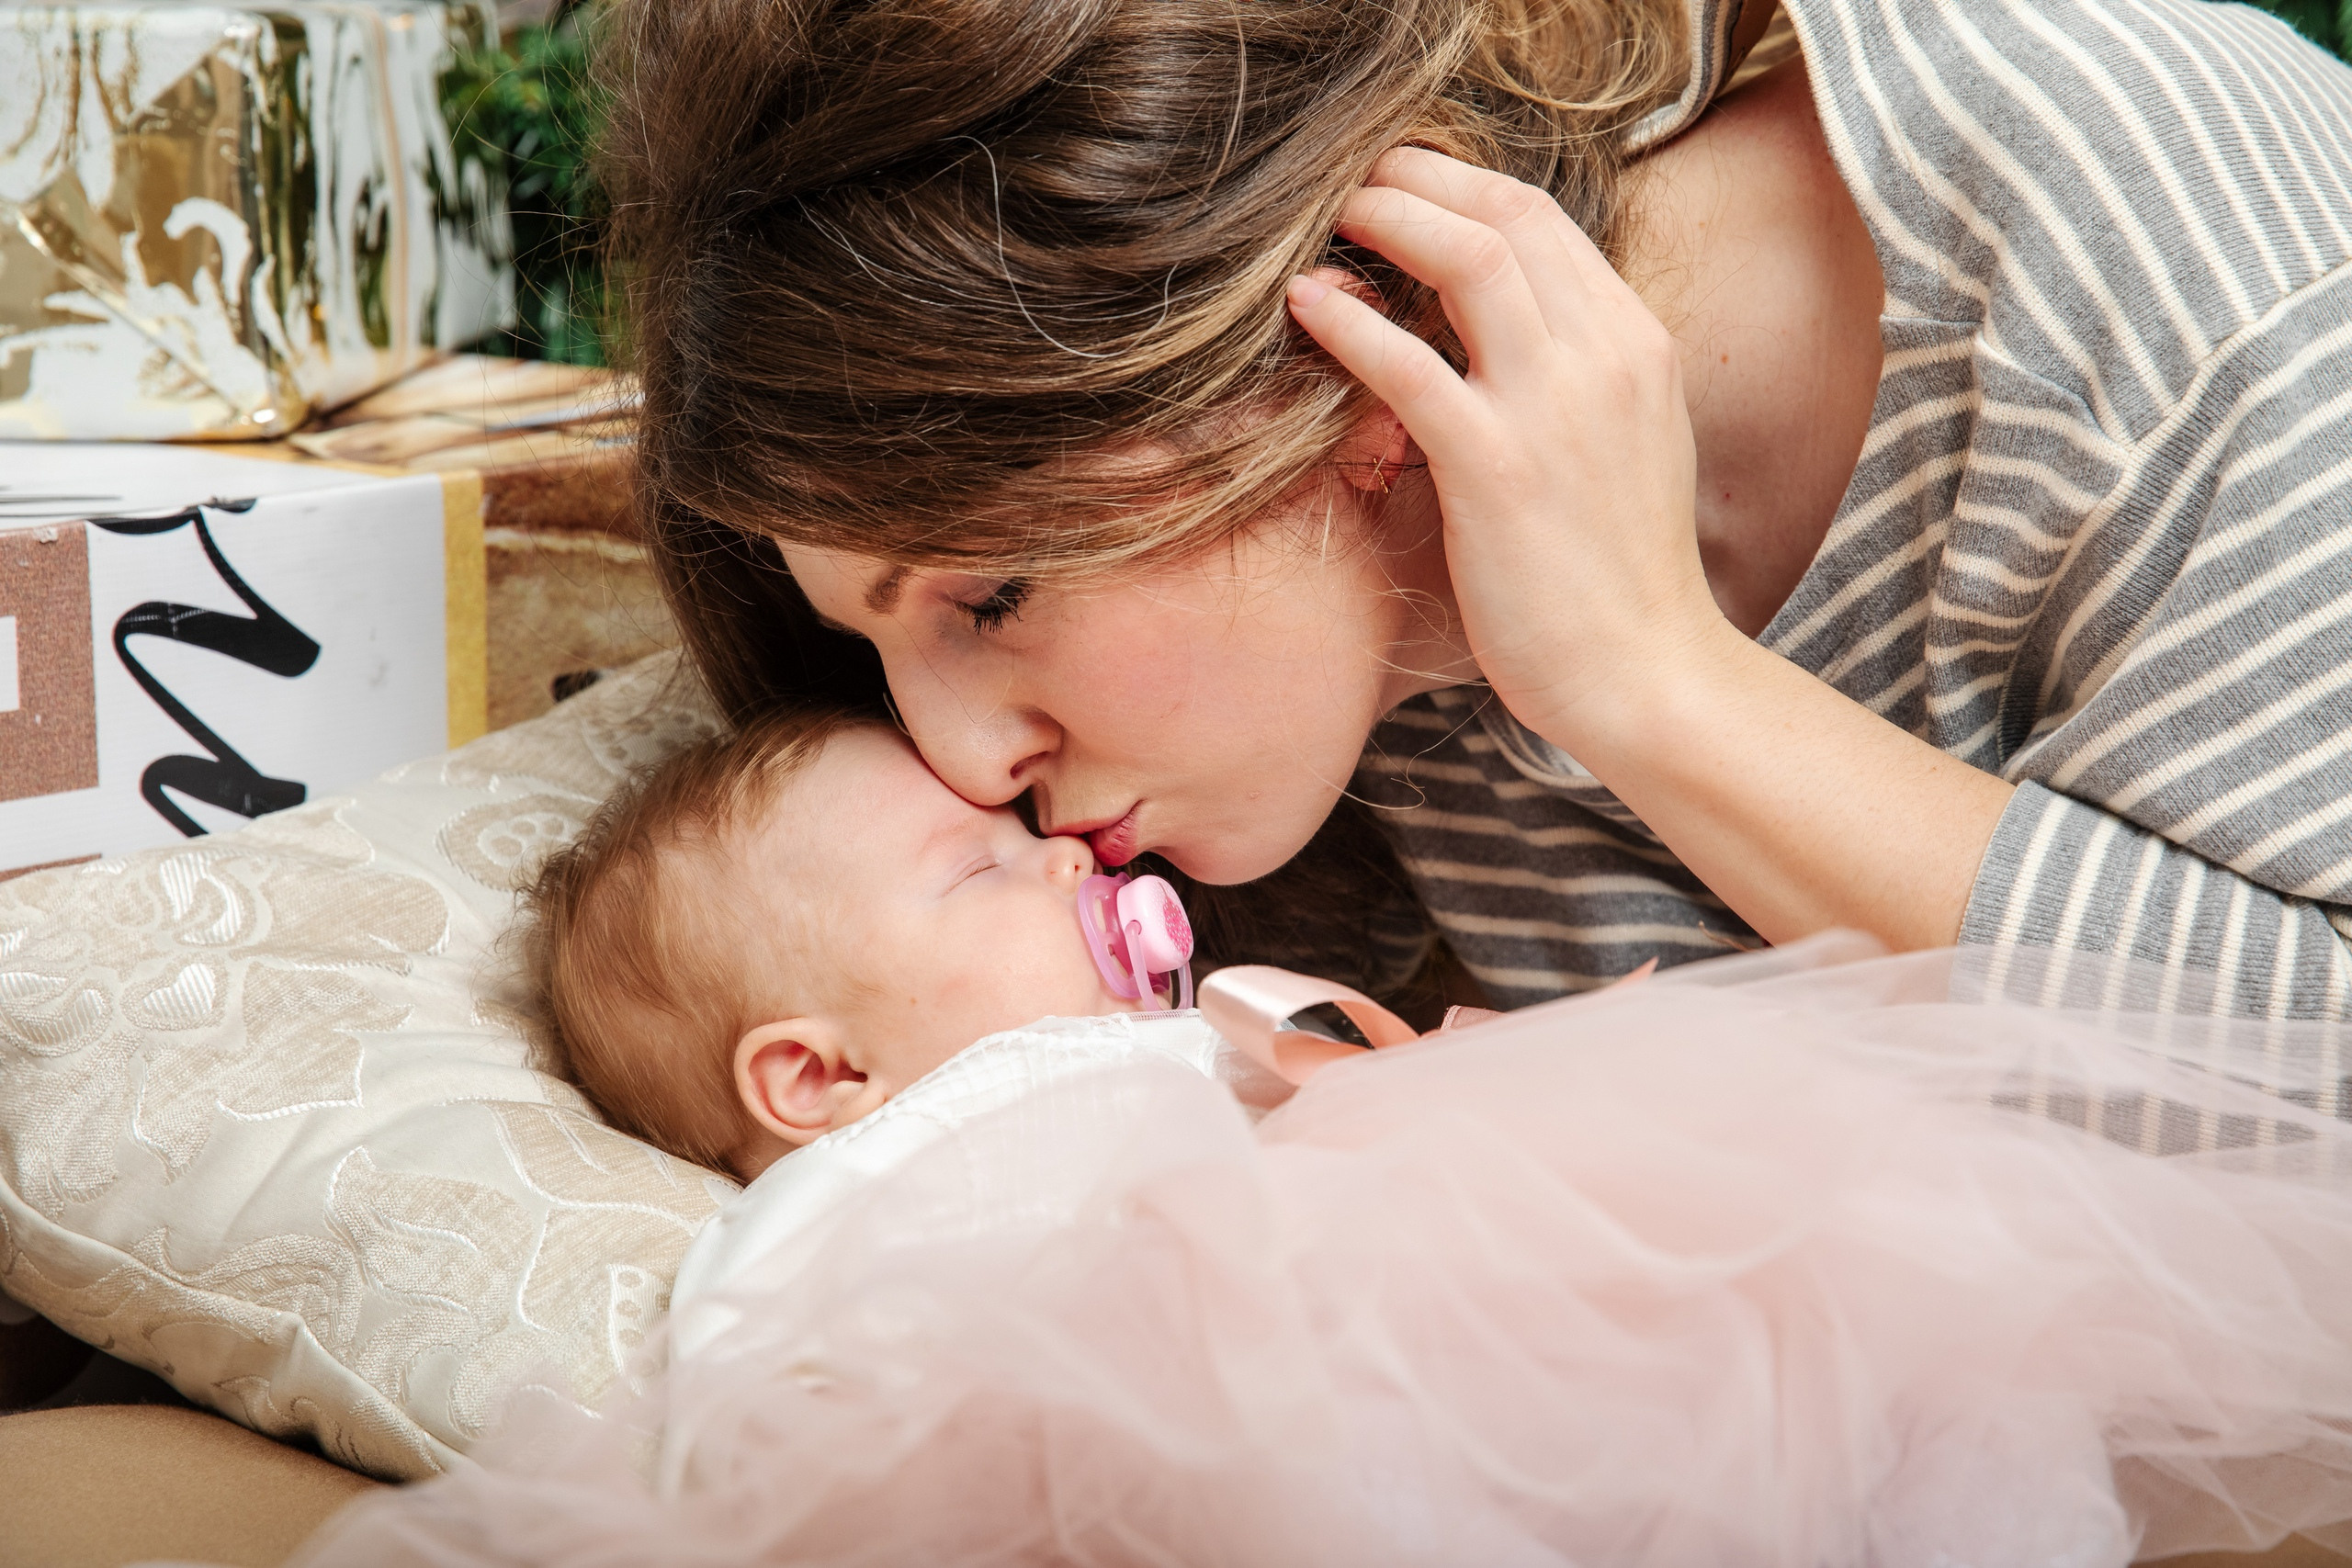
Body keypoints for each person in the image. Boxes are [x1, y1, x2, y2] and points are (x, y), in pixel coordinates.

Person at [603, 0, 2352, 1020]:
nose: (963, 756)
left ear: (1338, 359)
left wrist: (1654, 682)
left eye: (989, 594)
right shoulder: (1343, 652)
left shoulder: (2180, 259)